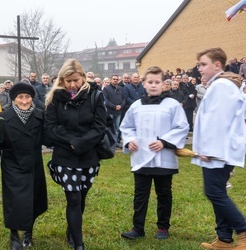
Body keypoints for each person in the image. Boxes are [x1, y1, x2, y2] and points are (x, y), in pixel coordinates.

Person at [120, 66, 189, 241]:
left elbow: (182, 126)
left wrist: (164, 142)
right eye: (150, 82)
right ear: (143, 84)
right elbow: (127, 126)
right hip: (141, 158)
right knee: (140, 194)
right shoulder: (136, 106)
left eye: (157, 82)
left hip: (163, 158)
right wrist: (129, 140)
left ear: (164, 84)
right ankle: (137, 228)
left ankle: (163, 228)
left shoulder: (172, 105)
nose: (153, 85)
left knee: (164, 194)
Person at [44, 59, 106, 250]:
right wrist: (71, 141)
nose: (72, 85)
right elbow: (50, 128)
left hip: (88, 156)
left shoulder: (95, 96)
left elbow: (99, 126)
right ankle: (78, 244)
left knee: (82, 197)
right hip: (65, 156)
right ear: (62, 80)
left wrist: (82, 143)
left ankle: (73, 230)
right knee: (73, 198)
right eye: (68, 81)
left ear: (83, 78)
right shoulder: (55, 98)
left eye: (76, 80)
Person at [192, 48, 246, 249]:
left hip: (218, 150)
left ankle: (243, 231)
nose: (199, 69)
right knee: (218, 192)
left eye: (203, 64)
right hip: (219, 149)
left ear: (217, 65)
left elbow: (219, 120)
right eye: (198, 65)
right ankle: (224, 238)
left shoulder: (221, 86)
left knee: (214, 192)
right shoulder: (220, 85)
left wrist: (209, 149)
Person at [0, 82, 49, 250]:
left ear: (32, 98)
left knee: (34, 200)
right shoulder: (4, 117)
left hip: (33, 165)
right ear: (14, 99)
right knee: (14, 202)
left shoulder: (40, 116)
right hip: (12, 165)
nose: (24, 101)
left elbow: (47, 139)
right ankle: (14, 235)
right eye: (20, 97)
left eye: (27, 97)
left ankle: (28, 232)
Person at [102, 74, 125, 146]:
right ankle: (110, 142)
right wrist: (114, 107)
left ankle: (116, 142)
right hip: (110, 112)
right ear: (111, 80)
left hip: (119, 112)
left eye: (116, 79)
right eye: (114, 79)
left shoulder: (121, 88)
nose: (115, 80)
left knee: (117, 128)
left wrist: (121, 106)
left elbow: (124, 98)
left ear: (118, 80)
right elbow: (105, 101)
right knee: (110, 128)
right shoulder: (106, 89)